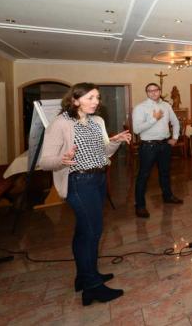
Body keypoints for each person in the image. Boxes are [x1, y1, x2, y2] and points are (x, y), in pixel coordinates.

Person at [40, 83, 131, 306]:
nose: (96, 101)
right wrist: (62, 160)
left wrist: (116, 142)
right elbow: (44, 161)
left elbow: (103, 151)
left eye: (97, 97)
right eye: (90, 97)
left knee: (84, 231)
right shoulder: (61, 123)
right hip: (79, 182)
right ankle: (92, 287)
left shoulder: (97, 121)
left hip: (98, 179)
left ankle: (84, 276)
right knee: (92, 232)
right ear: (75, 100)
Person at [132, 83, 183, 219]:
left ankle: (168, 196)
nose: (153, 93)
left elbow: (176, 122)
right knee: (143, 176)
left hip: (164, 145)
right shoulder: (140, 108)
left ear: (160, 91)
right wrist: (154, 119)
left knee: (165, 173)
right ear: (147, 93)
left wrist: (175, 137)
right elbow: (136, 130)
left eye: (155, 90)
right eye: (150, 91)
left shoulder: (166, 106)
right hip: (148, 146)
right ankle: (140, 205)